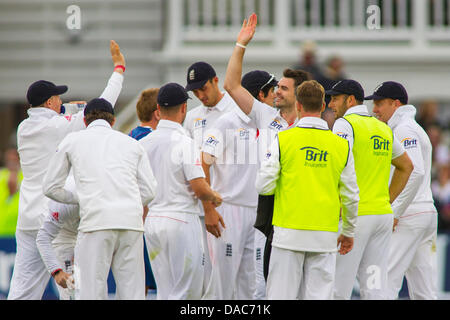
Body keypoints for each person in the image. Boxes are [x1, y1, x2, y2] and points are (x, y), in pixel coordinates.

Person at [8, 40, 125, 300]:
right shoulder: (59, 127)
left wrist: (70, 107)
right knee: (72, 290)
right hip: (53, 218)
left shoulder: (24, 128)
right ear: (50, 102)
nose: (61, 100)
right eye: (58, 97)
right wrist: (118, 70)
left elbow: (58, 116)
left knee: (22, 291)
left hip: (27, 218)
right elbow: (102, 108)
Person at [223, 13, 309, 286]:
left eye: (284, 88)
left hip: (298, 213)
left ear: (300, 95)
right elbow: (231, 85)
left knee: (299, 286)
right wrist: (241, 45)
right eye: (277, 87)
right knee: (263, 284)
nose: (276, 92)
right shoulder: (266, 116)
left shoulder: (312, 128)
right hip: (268, 212)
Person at [42, 98, 157, 300]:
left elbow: (50, 187)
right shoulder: (132, 144)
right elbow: (150, 191)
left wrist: (80, 197)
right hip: (131, 224)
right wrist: (128, 202)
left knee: (91, 293)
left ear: (85, 121)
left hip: (95, 223)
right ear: (113, 121)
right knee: (133, 294)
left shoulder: (73, 140)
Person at [256, 80, 359, 300]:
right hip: (324, 235)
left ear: (299, 106)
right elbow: (351, 195)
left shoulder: (283, 139)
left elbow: (263, 184)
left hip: (287, 233)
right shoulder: (341, 145)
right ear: (323, 106)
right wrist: (348, 232)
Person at [326, 79, 414, 299]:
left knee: (338, 287)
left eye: (335, 99)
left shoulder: (345, 124)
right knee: (374, 287)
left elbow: (338, 164)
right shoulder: (382, 127)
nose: (330, 104)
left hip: (355, 219)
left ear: (350, 99)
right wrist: (387, 200)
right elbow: (406, 166)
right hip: (381, 217)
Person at [140, 83, 222, 300]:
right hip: (181, 221)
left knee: (165, 291)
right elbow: (198, 186)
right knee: (188, 292)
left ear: (158, 109)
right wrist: (215, 196)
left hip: (153, 221)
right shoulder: (185, 142)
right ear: (184, 109)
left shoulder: (144, 143)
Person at [366, 81, 439, 299]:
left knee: (382, 280)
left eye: (379, 104)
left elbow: (414, 172)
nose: (374, 110)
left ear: (395, 103)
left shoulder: (404, 129)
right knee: (424, 290)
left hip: (409, 213)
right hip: (423, 212)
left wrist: (394, 211)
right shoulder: (409, 127)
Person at [183, 61, 237, 294]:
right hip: (200, 208)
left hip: (232, 206)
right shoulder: (192, 117)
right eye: (195, 92)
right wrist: (206, 207)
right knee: (205, 277)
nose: (200, 95)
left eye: (203, 88)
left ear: (216, 80)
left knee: (231, 277)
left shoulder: (237, 110)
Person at [240, 69, 278, 300]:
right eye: (273, 90)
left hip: (267, 213)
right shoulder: (228, 122)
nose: (276, 95)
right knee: (256, 286)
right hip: (237, 213)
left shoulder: (274, 121)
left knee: (266, 283)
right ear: (260, 95)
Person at [127, 87, 160, 295]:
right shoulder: (152, 142)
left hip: (130, 221)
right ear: (158, 112)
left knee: (138, 286)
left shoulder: (129, 138)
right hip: (148, 221)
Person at [36, 176, 79, 300]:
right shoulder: (63, 203)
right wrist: (57, 271)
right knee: (70, 292)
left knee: (93, 287)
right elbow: (43, 238)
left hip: (90, 230)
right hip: (63, 233)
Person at [0, 148, 22, 237]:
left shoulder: (26, 178)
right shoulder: (1, 175)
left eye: (14, 160)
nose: (12, 163)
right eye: (9, 160)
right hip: (2, 228)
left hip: (19, 229)